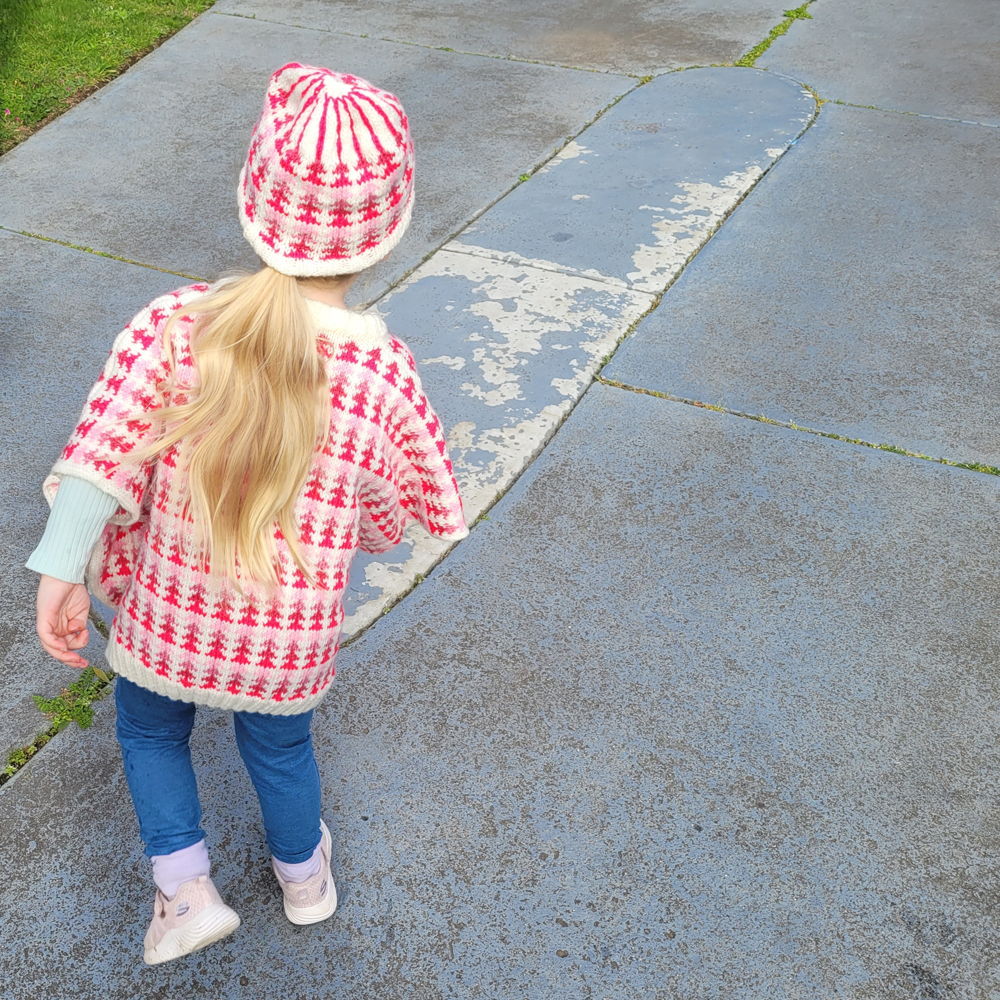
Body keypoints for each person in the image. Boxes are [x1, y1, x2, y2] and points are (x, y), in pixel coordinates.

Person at [25, 63, 468, 966]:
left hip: (168, 618)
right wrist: (359, 523)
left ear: (255, 200)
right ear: (384, 230)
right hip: (288, 641)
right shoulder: (383, 375)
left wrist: (59, 570)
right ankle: (304, 878)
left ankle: (184, 891)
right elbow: (388, 510)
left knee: (151, 729)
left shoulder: (175, 326)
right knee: (282, 748)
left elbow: (101, 457)